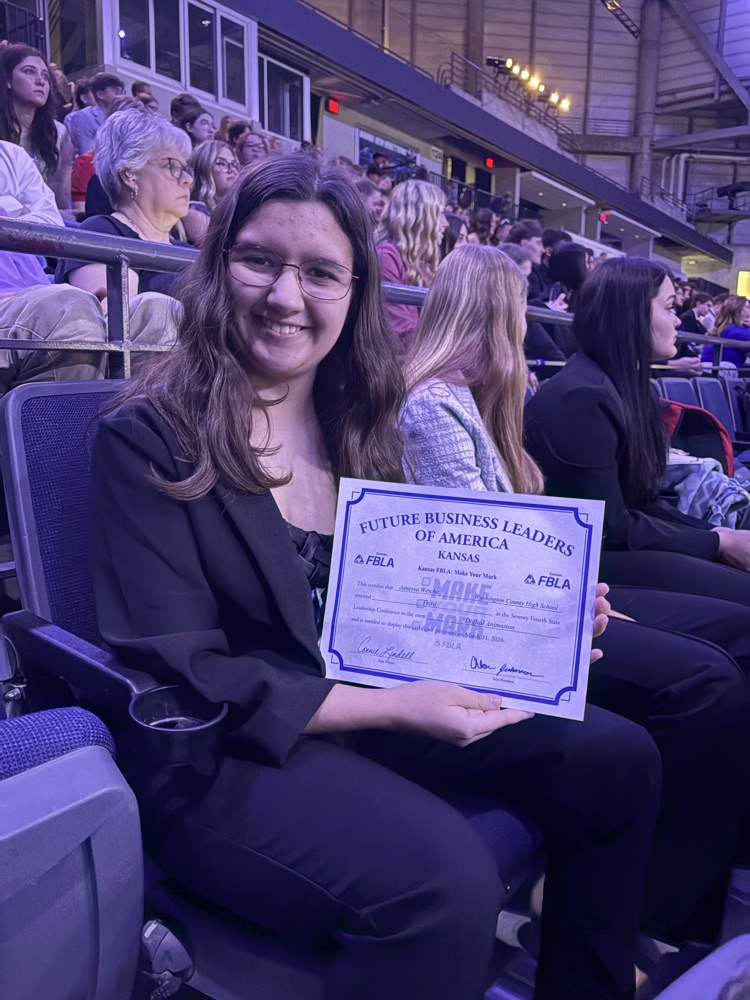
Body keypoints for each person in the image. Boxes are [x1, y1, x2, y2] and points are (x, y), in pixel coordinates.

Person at [91, 153, 661, 1000]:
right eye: (258, 261)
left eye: (321, 273)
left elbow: (414, 596)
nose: (286, 297)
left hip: (367, 696)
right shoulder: (149, 436)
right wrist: (398, 703)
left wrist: (535, 619)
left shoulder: (361, 423)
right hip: (226, 747)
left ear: (356, 292)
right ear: (217, 270)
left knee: (620, 757)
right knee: (448, 886)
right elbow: (185, 672)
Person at [400, 242, 747, 951]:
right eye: (514, 324)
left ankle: (684, 889)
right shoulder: (436, 405)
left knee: (717, 663)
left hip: (549, 591)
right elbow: (481, 546)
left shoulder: (479, 401)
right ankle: (659, 912)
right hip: (499, 622)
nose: (525, 339)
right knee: (707, 679)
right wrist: (566, 593)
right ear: (490, 321)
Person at [524, 258, 750, 624]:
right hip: (583, 562)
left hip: (615, 546)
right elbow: (610, 528)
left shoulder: (627, 387)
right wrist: (718, 543)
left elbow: (646, 502)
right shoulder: (582, 399)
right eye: (669, 307)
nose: (679, 320)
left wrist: (718, 533)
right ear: (630, 314)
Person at [58, 107, 189, 354]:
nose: (186, 179)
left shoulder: (191, 252)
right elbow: (111, 326)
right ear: (130, 173)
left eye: (186, 169)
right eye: (172, 166)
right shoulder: (102, 232)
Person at [0, 139, 106, 389]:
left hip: (31, 293)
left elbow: (51, 223)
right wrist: (14, 205)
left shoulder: (11, 155)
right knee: (68, 309)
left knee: (158, 313)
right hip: (25, 302)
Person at [0, 44, 74, 209]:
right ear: (8, 80)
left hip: (43, 225)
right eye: (29, 71)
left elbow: (60, 202)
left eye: (45, 76)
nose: (40, 81)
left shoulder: (58, 133)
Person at [377, 179, 447, 346]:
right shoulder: (386, 257)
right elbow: (400, 334)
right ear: (420, 217)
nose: (446, 223)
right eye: (440, 213)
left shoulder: (423, 265)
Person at [183, 139, 239, 244]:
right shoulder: (194, 212)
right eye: (222, 163)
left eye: (234, 164)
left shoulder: (235, 208)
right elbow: (223, 252)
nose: (232, 170)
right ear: (204, 168)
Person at [64, 71, 124, 155]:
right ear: (100, 95)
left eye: (122, 92)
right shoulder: (82, 117)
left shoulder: (120, 120)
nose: (121, 97)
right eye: (115, 91)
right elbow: (86, 154)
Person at [700, 295, 750, 369]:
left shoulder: (726, 328)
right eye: (747, 307)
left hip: (714, 369)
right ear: (738, 311)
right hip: (723, 370)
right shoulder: (734, 331)